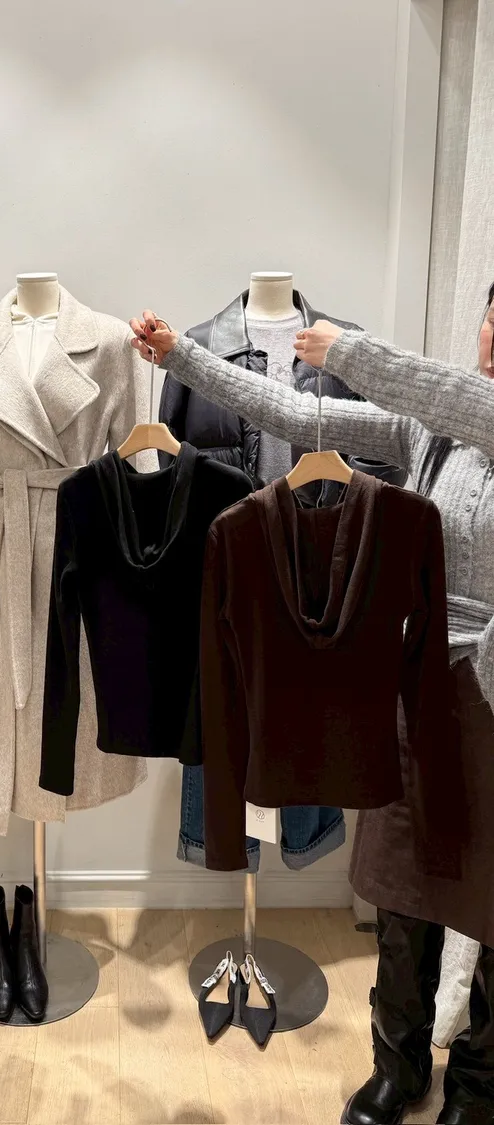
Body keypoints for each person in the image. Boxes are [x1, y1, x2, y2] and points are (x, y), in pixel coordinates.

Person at [130, 288, 494, 1125]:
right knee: (401, 885)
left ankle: (478, 1086)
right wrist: (181, 356)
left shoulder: (460, 409)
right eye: (492, 319)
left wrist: (351, 353)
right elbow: (296, 412)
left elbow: (448, 393)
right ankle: (397, 1065)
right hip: (420, 685)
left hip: (493, 699)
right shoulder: (428, 434)